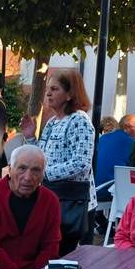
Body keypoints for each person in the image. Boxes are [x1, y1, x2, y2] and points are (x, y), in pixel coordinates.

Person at [21, 68, 96, 253]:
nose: (47, 93)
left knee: (66, 257)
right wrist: (31, 137)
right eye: (48, 88)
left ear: (70, 94)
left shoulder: (79, 120)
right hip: (55, 198)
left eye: (54, 89)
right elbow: (42, 156)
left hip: (73, 203)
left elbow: (81, 163)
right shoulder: (53, 121)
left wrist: (44, 174)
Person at [96, 114, 135, 197]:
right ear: (126, 127)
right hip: (110, 190)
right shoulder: (132, 143)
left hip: (94, 188)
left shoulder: (103, 138)